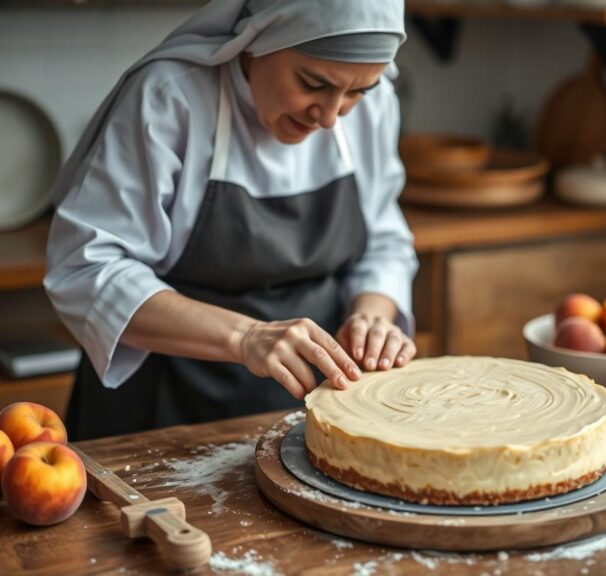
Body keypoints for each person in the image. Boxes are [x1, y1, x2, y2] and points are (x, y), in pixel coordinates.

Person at [44, 0, 418, 441]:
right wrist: (246, 337)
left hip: (312, 400)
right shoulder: (171, 97)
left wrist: (372, 315)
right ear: (257, 40)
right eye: (313, 83)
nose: (330, 116)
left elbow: (383, 239)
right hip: (164, 403)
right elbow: (86, 268)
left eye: (357, 92)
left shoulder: (376, 104)